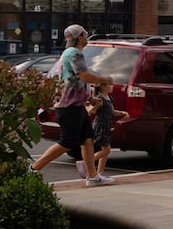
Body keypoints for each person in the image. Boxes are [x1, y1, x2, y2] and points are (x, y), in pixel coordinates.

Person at [29, 24, 114, 182]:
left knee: (88, 139)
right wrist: (103, 80)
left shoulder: (69, 53)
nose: (87, 36)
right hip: (69, 108)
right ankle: (34, 168)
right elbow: (83, 76)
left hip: (76, 107)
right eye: (86, 34)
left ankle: (92, 176)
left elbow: (74, 81)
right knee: (67, 142)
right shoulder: (74, 53)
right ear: (80, 37)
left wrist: (89, 99)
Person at [83, 85, 128, 185]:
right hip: (100, 126)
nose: (112, 86)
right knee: (106, 150)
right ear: (104, 87)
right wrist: (94, 107)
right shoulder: (99, 98)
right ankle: (86, 163)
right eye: (110, 84)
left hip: (106, 126)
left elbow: (112, 112)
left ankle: (99, 173)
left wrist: (122, 113)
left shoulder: (109, 98)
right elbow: (91, 111)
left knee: (105, 151)